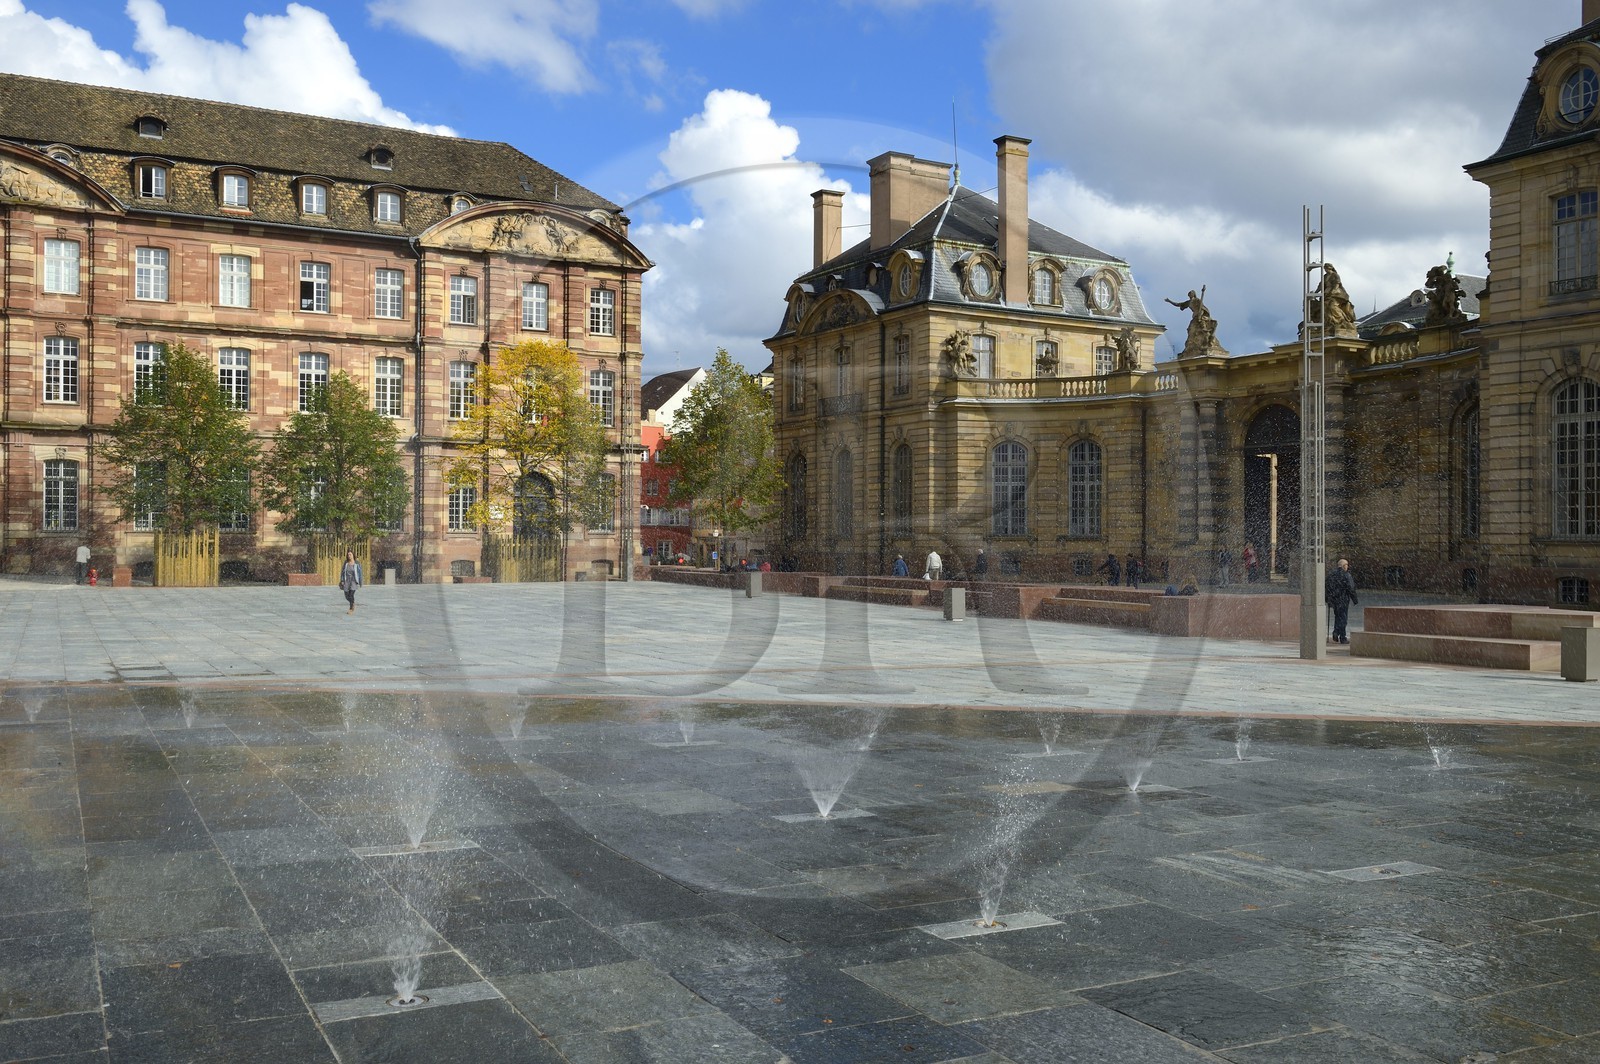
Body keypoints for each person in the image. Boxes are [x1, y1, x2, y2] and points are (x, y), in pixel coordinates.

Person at [1326, 557, 1358, 644]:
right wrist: (1355, 599)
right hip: (1343, 600)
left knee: (1338, 617)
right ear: (1344, 566)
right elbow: (1351, 588)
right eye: (1347, 565)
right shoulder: (1346, 575)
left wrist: (1328, 599)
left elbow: (1326, 587)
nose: (1347, 567)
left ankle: (1336, 633)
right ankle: (1341, 636)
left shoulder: (1331, 574)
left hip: (1334, 600)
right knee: (1343, 618)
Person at [339, 550, 363, 614]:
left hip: (354, 581)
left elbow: (360, 573)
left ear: (353, 555)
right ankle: (353, 603)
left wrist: (360, 582)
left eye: (350, 554)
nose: (349, 556)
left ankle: (351, 608)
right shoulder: (346, 563)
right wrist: (342, 580)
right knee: (346, 595)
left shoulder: (357, 563)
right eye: (348, 555)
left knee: (351, 594)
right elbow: (342, 572)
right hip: (347, 580)